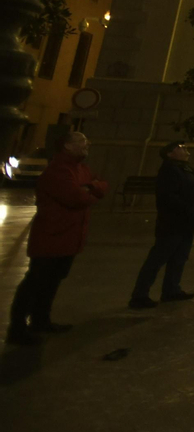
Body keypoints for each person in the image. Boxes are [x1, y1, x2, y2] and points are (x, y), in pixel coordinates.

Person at [7, 131, 108, 346]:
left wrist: (90, 187)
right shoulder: (58, 170)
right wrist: (91, 190)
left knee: (52, 281)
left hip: (70, 236)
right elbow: (75, 198)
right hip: (51, 235)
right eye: (81, 141)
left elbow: (102, 186)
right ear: (67, 146)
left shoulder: (81, 168)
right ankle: (17, 328)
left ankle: (41, 320)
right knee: (35, 281)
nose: (87, 143)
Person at [128, 141, 194, 309]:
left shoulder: (184, 168)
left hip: (187, 222)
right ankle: (140, 294)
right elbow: (168, 197)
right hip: (173, 223)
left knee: (179, 257)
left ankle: (171, 289)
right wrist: (187, 210)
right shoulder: (170, 170)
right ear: (170, 154)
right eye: (181, 147)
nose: (186, 150)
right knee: (158, 258)